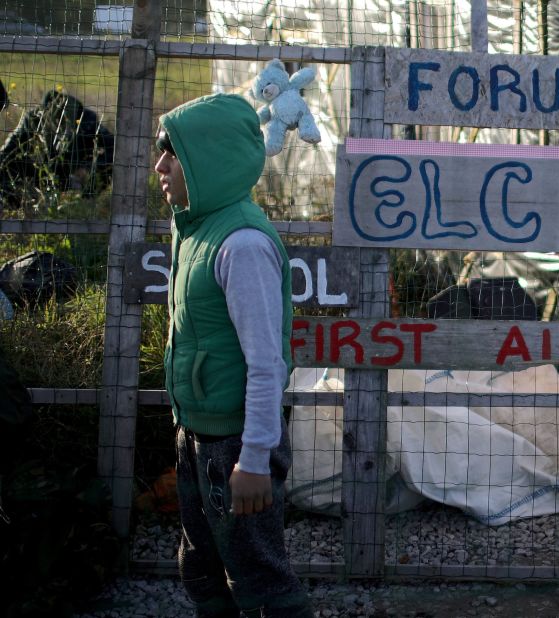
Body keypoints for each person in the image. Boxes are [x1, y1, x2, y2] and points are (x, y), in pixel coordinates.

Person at [155, 93, 311, 617]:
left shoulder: (240, 244)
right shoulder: (194, 229)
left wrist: (254, 459)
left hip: (235, 446)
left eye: (172, 153)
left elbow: (267, 363)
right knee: (200, 567)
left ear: (208, 158)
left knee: (261, 580)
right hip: (197, 435)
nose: (160, 166)